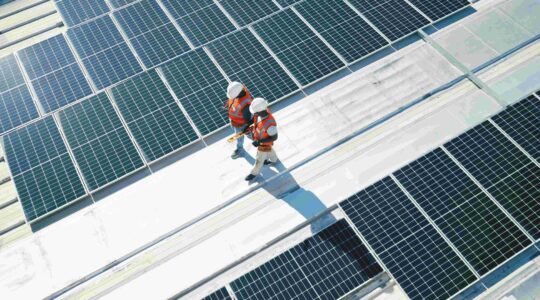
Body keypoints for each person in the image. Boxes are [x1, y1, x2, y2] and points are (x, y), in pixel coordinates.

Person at [245, 98, 279, 181]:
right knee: (270, 150)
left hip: (263, 143)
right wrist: (248, 125)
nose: (254, 114)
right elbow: (256, 120)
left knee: (259, 160)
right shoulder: (261, 113)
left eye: (255, 113)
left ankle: (254, 173)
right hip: (264, 142)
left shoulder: (270, 124)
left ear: (260, 111)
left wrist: (259, 142)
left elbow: (274, 137)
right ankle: (274, 160)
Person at [225, 81, 253, 159]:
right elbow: (232, 100)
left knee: (244, 137)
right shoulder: (238, 89)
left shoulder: (245, 104)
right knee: (239, 136)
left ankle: (240, 149)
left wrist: (245, 129)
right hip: (234, 121)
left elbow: (248, 120)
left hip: (241, 126)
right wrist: (228, 104)